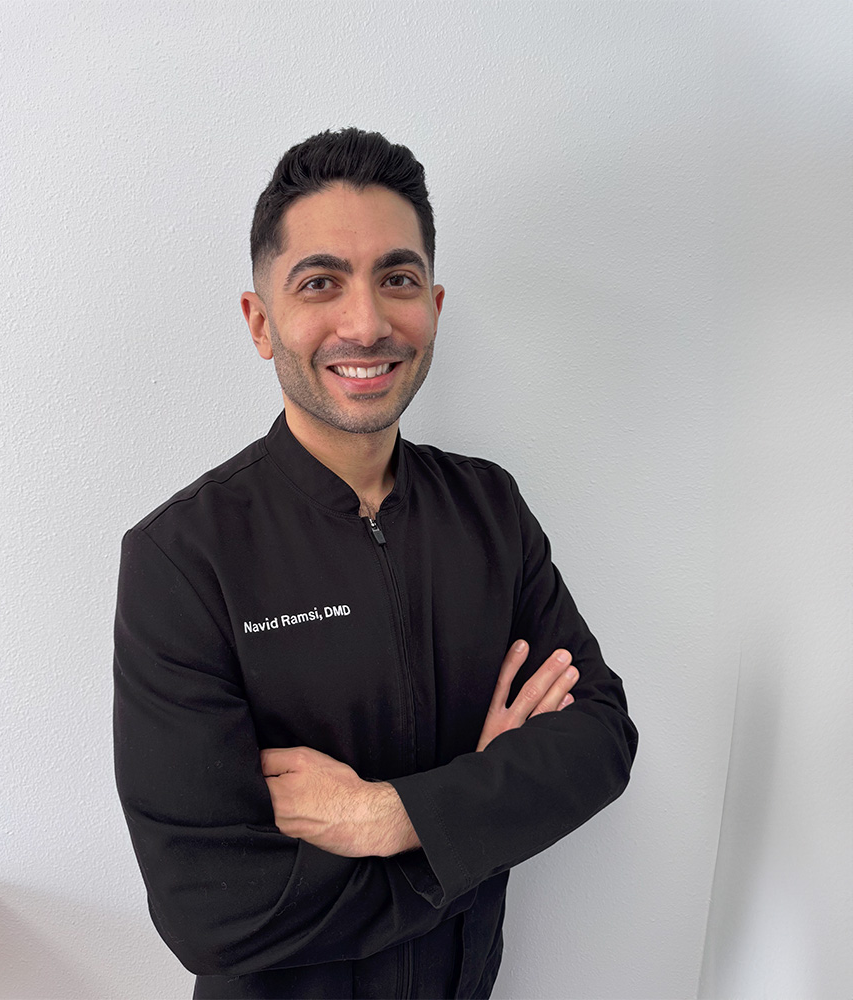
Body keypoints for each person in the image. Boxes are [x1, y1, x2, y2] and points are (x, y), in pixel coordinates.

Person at [113, 128, 637, 1000]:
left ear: (432, 304)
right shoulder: (183, 557)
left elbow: (600, 741)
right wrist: (470, 823)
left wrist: (385, 817)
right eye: (320, 282)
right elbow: (210, 908)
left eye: (396, 279)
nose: (366, 322)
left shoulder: (490, 511)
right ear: (260, 320)